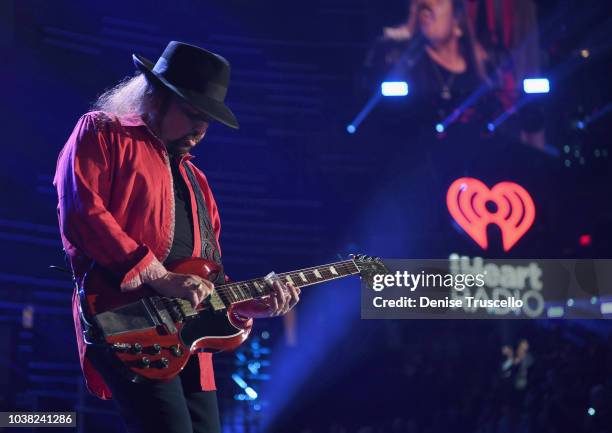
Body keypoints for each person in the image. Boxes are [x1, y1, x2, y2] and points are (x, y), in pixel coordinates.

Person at [53, 41, 300, 433]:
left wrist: (253, 305)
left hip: (189, 341)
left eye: (208, 121)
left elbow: (210, 280)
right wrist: (159, 276)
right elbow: (83, 213)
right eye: (191, 114)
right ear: (156, 97)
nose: (201, 130)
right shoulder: (103, 132)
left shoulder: (198, 182)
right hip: (129, 318)